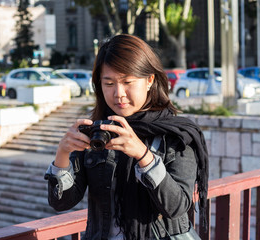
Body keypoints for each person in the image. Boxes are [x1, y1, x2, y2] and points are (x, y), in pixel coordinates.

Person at [45, 34, 208, 240]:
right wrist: (62, 154)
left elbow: (176, 207)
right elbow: (61, 203)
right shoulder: (99, 131)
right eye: (109, 83)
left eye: (127, 82)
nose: (119, 93)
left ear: (149, 80)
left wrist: (143, 155)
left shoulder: (176, 135)